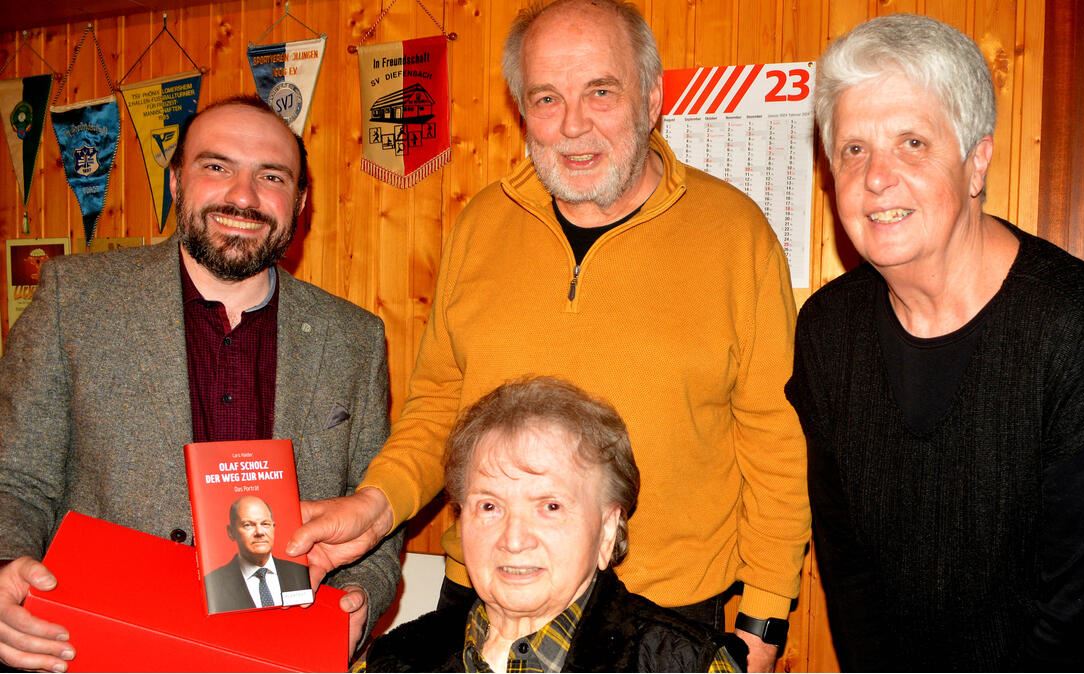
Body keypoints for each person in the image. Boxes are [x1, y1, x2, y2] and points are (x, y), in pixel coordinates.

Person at [289, 1, 810, 670]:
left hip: (662, 625)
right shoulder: (481, 225)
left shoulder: (736, 236)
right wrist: (374, 506)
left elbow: (776, 442)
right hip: (482, 600)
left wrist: (764, 621)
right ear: (521, 110)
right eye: (547, 97)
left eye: (601, 91)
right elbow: (436, 411)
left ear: (651, 98)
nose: (573, 125)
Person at [786, 14, 1084, 671]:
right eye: (853, 148)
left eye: (912, 142)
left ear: (977, 159)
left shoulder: (1078, 331)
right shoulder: (827, 334)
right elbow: (850, 572)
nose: (876, 176)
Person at [0, 95, 402, 671]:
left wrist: (360, 602)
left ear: (301, 201)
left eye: (271, 176)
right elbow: (15, 479)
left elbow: (376, 512)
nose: (243, 196)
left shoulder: (355, 338)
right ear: (176, 182)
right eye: (217, 167)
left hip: (278, 654)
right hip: (98, 649)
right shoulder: (76, 300)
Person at [368, 376, 746, 672]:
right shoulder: (394, 659)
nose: (514, 540)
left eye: (549, 506)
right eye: (489, 506)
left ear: (608, 532)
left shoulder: (684, 664)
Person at [204, 496, 311, 613]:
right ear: (231, 532)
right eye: (248, 525)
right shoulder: (213, 583)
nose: (259, 532)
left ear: (273, 528)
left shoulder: (300, 572)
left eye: (265, 524)